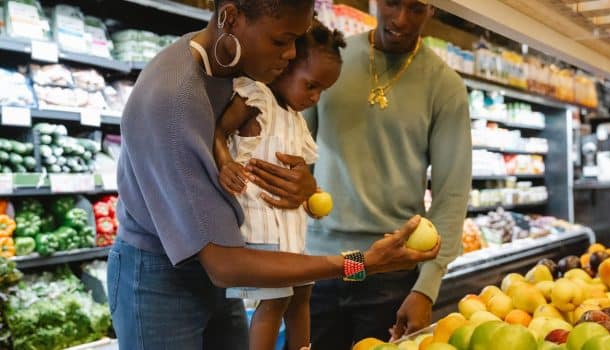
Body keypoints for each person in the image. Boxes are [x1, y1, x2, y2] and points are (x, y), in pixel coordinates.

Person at [108, 0, 440, 349]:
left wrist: (305, 187)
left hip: (224, 272)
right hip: (161, 280)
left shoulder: (241, 63)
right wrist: (363, 263)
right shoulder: (172, 103)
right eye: (282, 41)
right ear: (231, 18)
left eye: (298, 40)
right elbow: (226, 265)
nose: (292, 54)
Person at [303, 0, 472, 347]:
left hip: (389, 272)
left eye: (415, 8)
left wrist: (426, 288)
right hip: (321, 264)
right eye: (392, 3)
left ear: (433, 11)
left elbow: (451, 194)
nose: (400, 19)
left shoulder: (445, 86)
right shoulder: (333, 60)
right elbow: (297, 157)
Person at [212, 20, 346, 350]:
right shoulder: (257, 99)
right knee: (274, 300)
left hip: (292, 232)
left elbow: (300, 176)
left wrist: (312, 194)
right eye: (311, 86)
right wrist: (226, 163)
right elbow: (216, 131)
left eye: (322, 92)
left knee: (302, 292)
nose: (315, 98)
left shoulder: (297, 121)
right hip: (260, 229)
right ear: (285, 65)